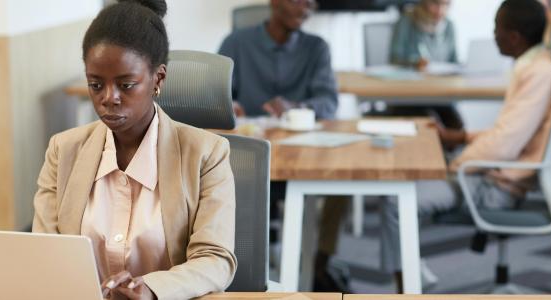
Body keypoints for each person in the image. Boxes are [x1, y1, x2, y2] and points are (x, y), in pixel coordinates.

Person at [32, 1, 237, 299]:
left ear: (158, 79)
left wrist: (153, 289)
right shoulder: (63, 151)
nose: (108, 98)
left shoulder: (207, 154)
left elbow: (215, 259)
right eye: (95, 85)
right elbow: (45, 253)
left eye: (126, 85)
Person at [380, 0, 551, 293]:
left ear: (514, 37)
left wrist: (453, 164)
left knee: (394, 201)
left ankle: (408, 286)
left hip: (494, 187)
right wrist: (459, 138)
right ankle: (411, 275)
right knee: (409, 183)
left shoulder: (537, 74)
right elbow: (510, 134)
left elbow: (503, 145)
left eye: (496, 30)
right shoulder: (540, 65)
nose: (493, 36)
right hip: (496, 176)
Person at [218, 0, 348, 292]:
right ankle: (237, 272)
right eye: (298, 1)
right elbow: (218, 94)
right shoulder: (237, 43)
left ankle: (319, 264)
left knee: (343, 183)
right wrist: (230, 105)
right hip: (250, 154)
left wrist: (296, 106)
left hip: (304, 155)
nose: (306, 9)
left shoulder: (317, 48)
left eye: (311, 3)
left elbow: (329, 102)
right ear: (275, 3)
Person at [387, 0, 463, 130]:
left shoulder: (449, 26)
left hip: (439, 94)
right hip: (409, 95)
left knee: (456, 125)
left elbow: (454, 62)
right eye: (435, 4)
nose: (440, 10)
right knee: (431, 123)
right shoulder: (406, 21)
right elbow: (395, 59)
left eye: (445, 5)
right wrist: (415, 62)